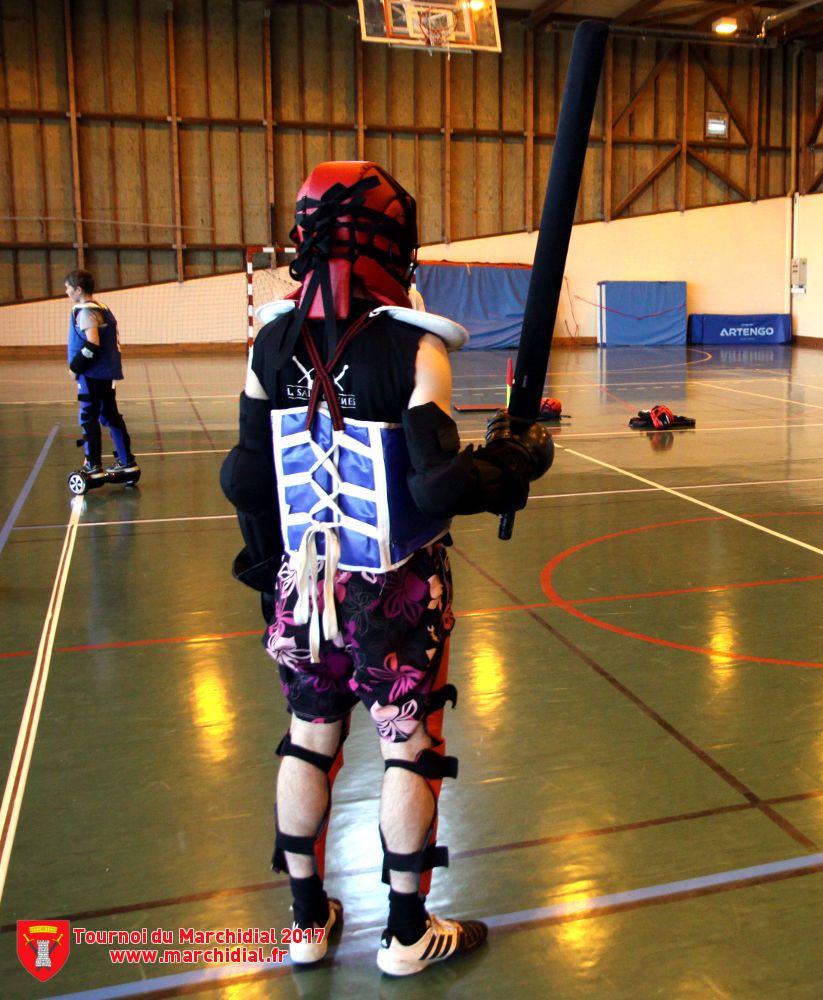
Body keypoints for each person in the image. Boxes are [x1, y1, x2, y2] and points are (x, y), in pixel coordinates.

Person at [220, 161, 550, 976]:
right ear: (394, 244)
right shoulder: (415, 347)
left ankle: (305, 923)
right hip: (392, 585)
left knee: (309, 738)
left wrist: (269, 570)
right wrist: (513, 465)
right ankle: (405, 934)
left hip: (302, 580)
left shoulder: (270, 343)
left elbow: (247, 477)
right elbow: (436, 482)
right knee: (409, 746)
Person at [65, 269, 139, 487]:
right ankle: (127, 462)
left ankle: (93, 466)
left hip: (92, 374)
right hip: (106, 373)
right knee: (109, 415)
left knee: (88, 417)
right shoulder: (102, 308)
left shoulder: (86, 312)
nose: (66, 292)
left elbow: (92, 344)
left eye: (68, 288)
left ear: (78, 290)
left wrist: (75, 367)